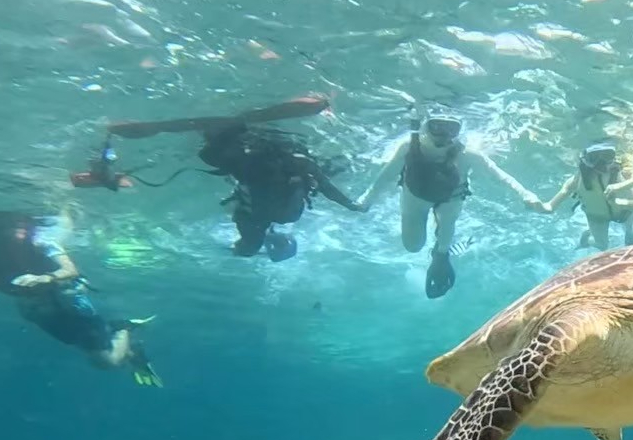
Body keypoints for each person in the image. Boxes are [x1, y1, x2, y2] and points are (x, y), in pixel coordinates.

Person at [104, 95, 366, 262]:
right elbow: (319, 182)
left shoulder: (286, 206)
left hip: (272, 148)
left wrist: (350, 204)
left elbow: (320, 181)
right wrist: (245, 250)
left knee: (328, 163)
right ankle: (170, 128)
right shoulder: (262, 218)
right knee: (218, 143)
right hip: (246, 155)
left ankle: (234, 124)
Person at [356, 111, 542, 298]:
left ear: (459, 131)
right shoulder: (409, 148)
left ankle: (440, 255)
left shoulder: (467, 154)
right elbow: (387, 174)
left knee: (444, 241)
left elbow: (498, 175)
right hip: (415, 200)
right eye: (437, 127)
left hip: (451, 200)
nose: (444, 134)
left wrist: (525, 194)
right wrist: (366, 199)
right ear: (425, 127)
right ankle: (437, 253)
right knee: (412, 246)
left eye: (451, 129)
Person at [1, 212, 161, 386]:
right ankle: (129, 351)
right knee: (82, 344)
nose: (20, 233)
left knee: (106, 361)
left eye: (23, 226)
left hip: (68, 301)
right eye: (12, 228)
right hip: (39, 310)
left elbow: (70, 270)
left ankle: (123, 328)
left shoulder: (43, 243)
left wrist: (45, 278)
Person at [196, 120, 366, 261]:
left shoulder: (295, 164)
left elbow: (325, 187)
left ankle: (257, 245)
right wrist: (349, 204)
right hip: (268, 196)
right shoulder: (260, 167)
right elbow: (325, 187)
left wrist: (349, 204)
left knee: (261, 234)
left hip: (267, 203)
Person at [535, 141, 633, 250]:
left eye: (607, 156)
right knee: (602, 245)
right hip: (597, 217)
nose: (600, 163)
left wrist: (618, 202)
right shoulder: (576, 181)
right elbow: (549, 207)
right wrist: (538, 205)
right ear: (585, 160)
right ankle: (587, 238)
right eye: (593, 157)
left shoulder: (625, 175)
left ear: (613, 158)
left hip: (624, 213)